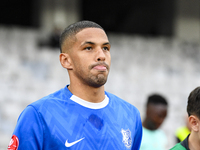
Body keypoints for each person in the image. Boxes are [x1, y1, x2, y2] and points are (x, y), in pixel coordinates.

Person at [7, 20, 143, 150]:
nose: (101, 55)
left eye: (105, 48)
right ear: (66, 60)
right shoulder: (38, 115)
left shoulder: (130, 115)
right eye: (89, 48)